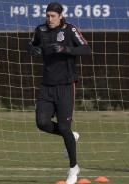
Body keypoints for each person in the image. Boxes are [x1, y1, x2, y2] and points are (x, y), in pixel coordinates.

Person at [28, 2, 91, 183]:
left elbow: (86, 49)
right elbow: (30, 45)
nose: (49, 19)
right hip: (47, 85)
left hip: (66, 85)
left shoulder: (70, 30)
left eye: (53, 16)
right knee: (41, 122)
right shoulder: (40, 30)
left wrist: (66, 49)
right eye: (47, 16)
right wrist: (33, 49)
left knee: (64, 127)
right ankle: (71, 136)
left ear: (60, 16)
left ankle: (73, 168)